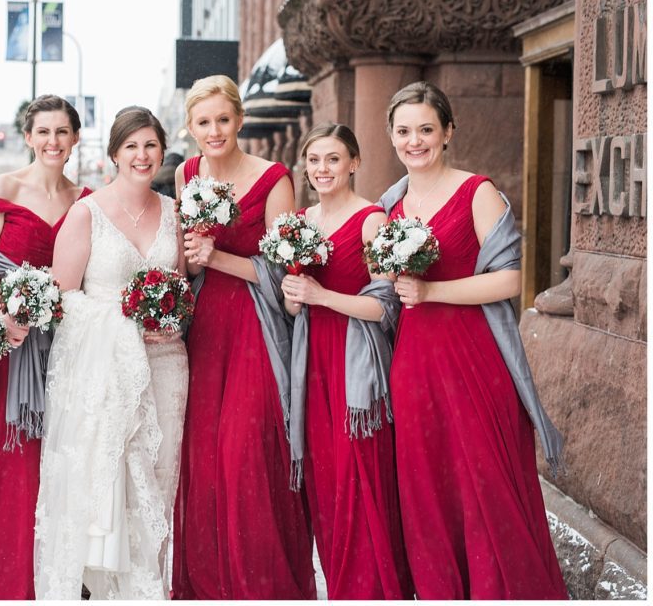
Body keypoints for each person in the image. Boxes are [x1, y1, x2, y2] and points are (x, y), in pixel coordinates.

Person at [378, 81, 567, 599]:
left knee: (486, 487)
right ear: (391, 136)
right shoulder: (390, 204)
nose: (414, 141)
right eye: (403, 131)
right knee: (428, 494)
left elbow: (509, 280)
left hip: (474, 359)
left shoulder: (477, 191)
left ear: (448, 132)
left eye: (425, 129)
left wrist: (431, 288)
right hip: (413, 365)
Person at [34, 107, 189, 599]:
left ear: (162, 150)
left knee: (157, 485)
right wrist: (124, 324)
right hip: (104, 376)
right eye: (132, 147)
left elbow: (182, 289)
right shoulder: (87, 213)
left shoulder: (173, 212)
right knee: (107, 486)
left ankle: (146, 590)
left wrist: (173, 316)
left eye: (150, 145)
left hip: (166, 365)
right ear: (114, 153)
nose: (142, 156)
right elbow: (61, 300)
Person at [172, 75, 316, 599]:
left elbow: (284, 276)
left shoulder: (274, 179)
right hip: (204, 327)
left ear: (240, 119)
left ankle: (262, 584)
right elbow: (183, 257)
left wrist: (220, 257)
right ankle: (209, 584)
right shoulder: (188, 173)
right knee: (204, 455)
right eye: (204, 122)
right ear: (190, 127)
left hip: (255, 324)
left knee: (246, 452)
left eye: (223, 120)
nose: (215, 131)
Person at [0, 95, 91, 600]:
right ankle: (6, 582)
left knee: (61, 461)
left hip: (68, 349)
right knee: (13, 463)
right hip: (12, 349)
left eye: (62, 132)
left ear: (76, 138)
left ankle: (57, 578)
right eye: (43, 132)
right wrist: (3, 317)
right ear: (28, 137)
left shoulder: (87, 198)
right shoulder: (3, 189)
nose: (53, 141)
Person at [279, 123, 413, 599]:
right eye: (314, 160)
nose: (323, 169)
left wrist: (322, 295)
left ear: (354, 162)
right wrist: (296, 299)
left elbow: (385, 307)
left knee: (360, 480)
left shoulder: (372, 220)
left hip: (354, 364)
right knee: (324, 484)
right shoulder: (298, 221)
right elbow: (293, 304)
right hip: (310, 362)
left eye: (333, 159)